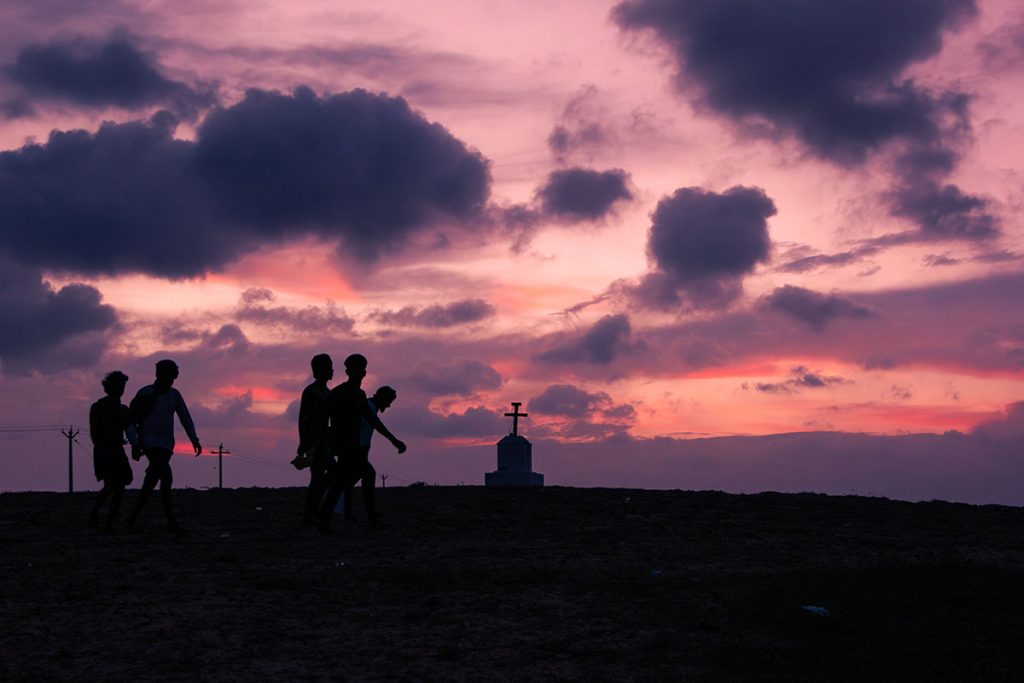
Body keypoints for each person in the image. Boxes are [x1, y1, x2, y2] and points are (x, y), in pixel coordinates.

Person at [318, 354, 405, 533]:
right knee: (359, 477)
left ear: (364, 372)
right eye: (355, 368)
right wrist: (325, 445)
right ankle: (369, 521)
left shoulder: (359, 395)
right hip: (346, 447)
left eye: (361, 369)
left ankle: (325, 522)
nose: (359, 372)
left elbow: (373, 420)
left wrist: (394, 441)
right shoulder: (340, 394)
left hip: (351, 447)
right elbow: (324, 420)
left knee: (340, 483)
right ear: (348, 371)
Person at [126, 359, 201, 531]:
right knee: (166, 476)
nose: (169, 381)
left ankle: (132, 520)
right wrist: (135, 442)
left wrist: (193, 439)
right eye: (166, 377)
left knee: (151, 481)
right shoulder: (144, 393)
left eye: (171, 378)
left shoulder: (174, 395)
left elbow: (185, 417)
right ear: (158, 375)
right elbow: (131, 419)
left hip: (167, 444)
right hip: (150, 442)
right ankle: (171, 521)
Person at [88, 371, 137, 532]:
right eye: (118, 385)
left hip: (117, 450)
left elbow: (130, 431)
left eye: (122, 385)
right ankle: (95, 514)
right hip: (105, 450)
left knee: (119, 486)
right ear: (109, 387)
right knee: (111, 485)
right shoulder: (98, 407)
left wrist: (135, 445)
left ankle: (108, 521)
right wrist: (103, 450)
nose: (121, 388)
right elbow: (95, 433)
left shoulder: (123, 409)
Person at [342, 385, 398, 522]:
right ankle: (369, 515)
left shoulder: (370, 407)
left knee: (350, 480)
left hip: (360, 449)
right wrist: (395, 441)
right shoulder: (368, 407)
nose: (389, 406)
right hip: (356, 449)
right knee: (366, 476)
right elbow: (376, 427)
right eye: (389, 401)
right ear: (383, 398)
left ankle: (349, 513)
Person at [293, 353, 333, 525]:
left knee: (319, 477)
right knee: (322, 475)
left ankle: (311, 512)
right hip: (314, 441)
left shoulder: (328, 392)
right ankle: (311, 512)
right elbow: (303, 418)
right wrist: (303, 442)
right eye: (328, 366)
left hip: (324, 440)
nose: (332, 370)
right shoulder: (311, 391)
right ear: (319, 370)